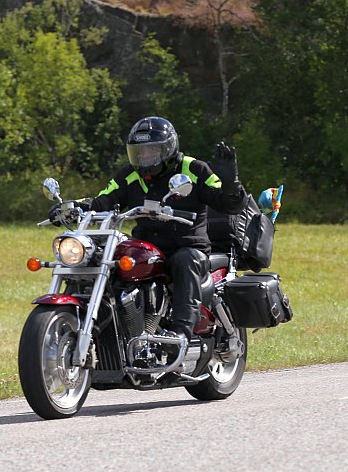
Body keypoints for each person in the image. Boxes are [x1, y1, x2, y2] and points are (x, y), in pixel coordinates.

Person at [83, 116, 247, 341]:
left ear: (168, 149)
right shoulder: (129, 174)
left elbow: (230, 205)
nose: (145, 156)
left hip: (188, 246)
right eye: (140, 151)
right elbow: (104, 199)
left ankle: (180, 333)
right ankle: (113, 332)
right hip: (148, 247)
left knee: (184, 260)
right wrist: (77, 207)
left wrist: (231, 184)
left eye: (152, 150)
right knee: (110, 260)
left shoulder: (194, 169)